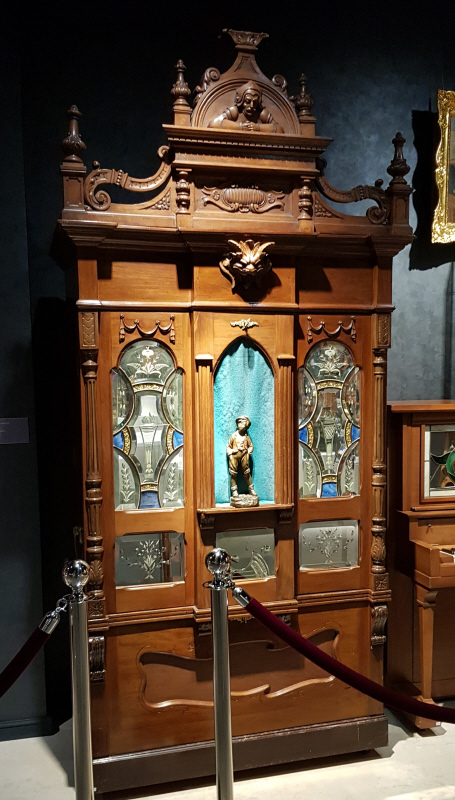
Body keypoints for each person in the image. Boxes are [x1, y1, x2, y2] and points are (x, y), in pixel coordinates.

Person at [209, 81, 283, 133]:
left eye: (255, 102)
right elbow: (213, 123)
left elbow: (279, 130)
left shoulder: (262, 114)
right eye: (247, 102)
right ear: (241, 101)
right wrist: (241, 127)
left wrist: (258, 128)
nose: (251, 106)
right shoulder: (235, 111)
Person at [226, 416, 257, 498]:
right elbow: (228, 447)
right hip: (234, 456)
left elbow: (251, 446)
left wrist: (248, 453)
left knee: (247, 473)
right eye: (239, 422)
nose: (241, 424)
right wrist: (231, 454)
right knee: (233, 473)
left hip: (244, 456)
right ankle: (234, 490)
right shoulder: (234, 436)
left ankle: (251, 489)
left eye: (243, 422)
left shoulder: (246, 437)